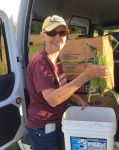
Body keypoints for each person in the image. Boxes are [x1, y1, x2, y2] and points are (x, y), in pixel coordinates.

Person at [26, 15, 110, 150]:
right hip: (44, 128)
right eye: (52, 33)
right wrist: (86, 75)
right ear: (43, 36)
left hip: (59, 121)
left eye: (63, 33)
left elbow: (60, 87)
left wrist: (76, 98)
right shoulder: (40, 62)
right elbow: (53, 99)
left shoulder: (56, 58)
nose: (58, 37)